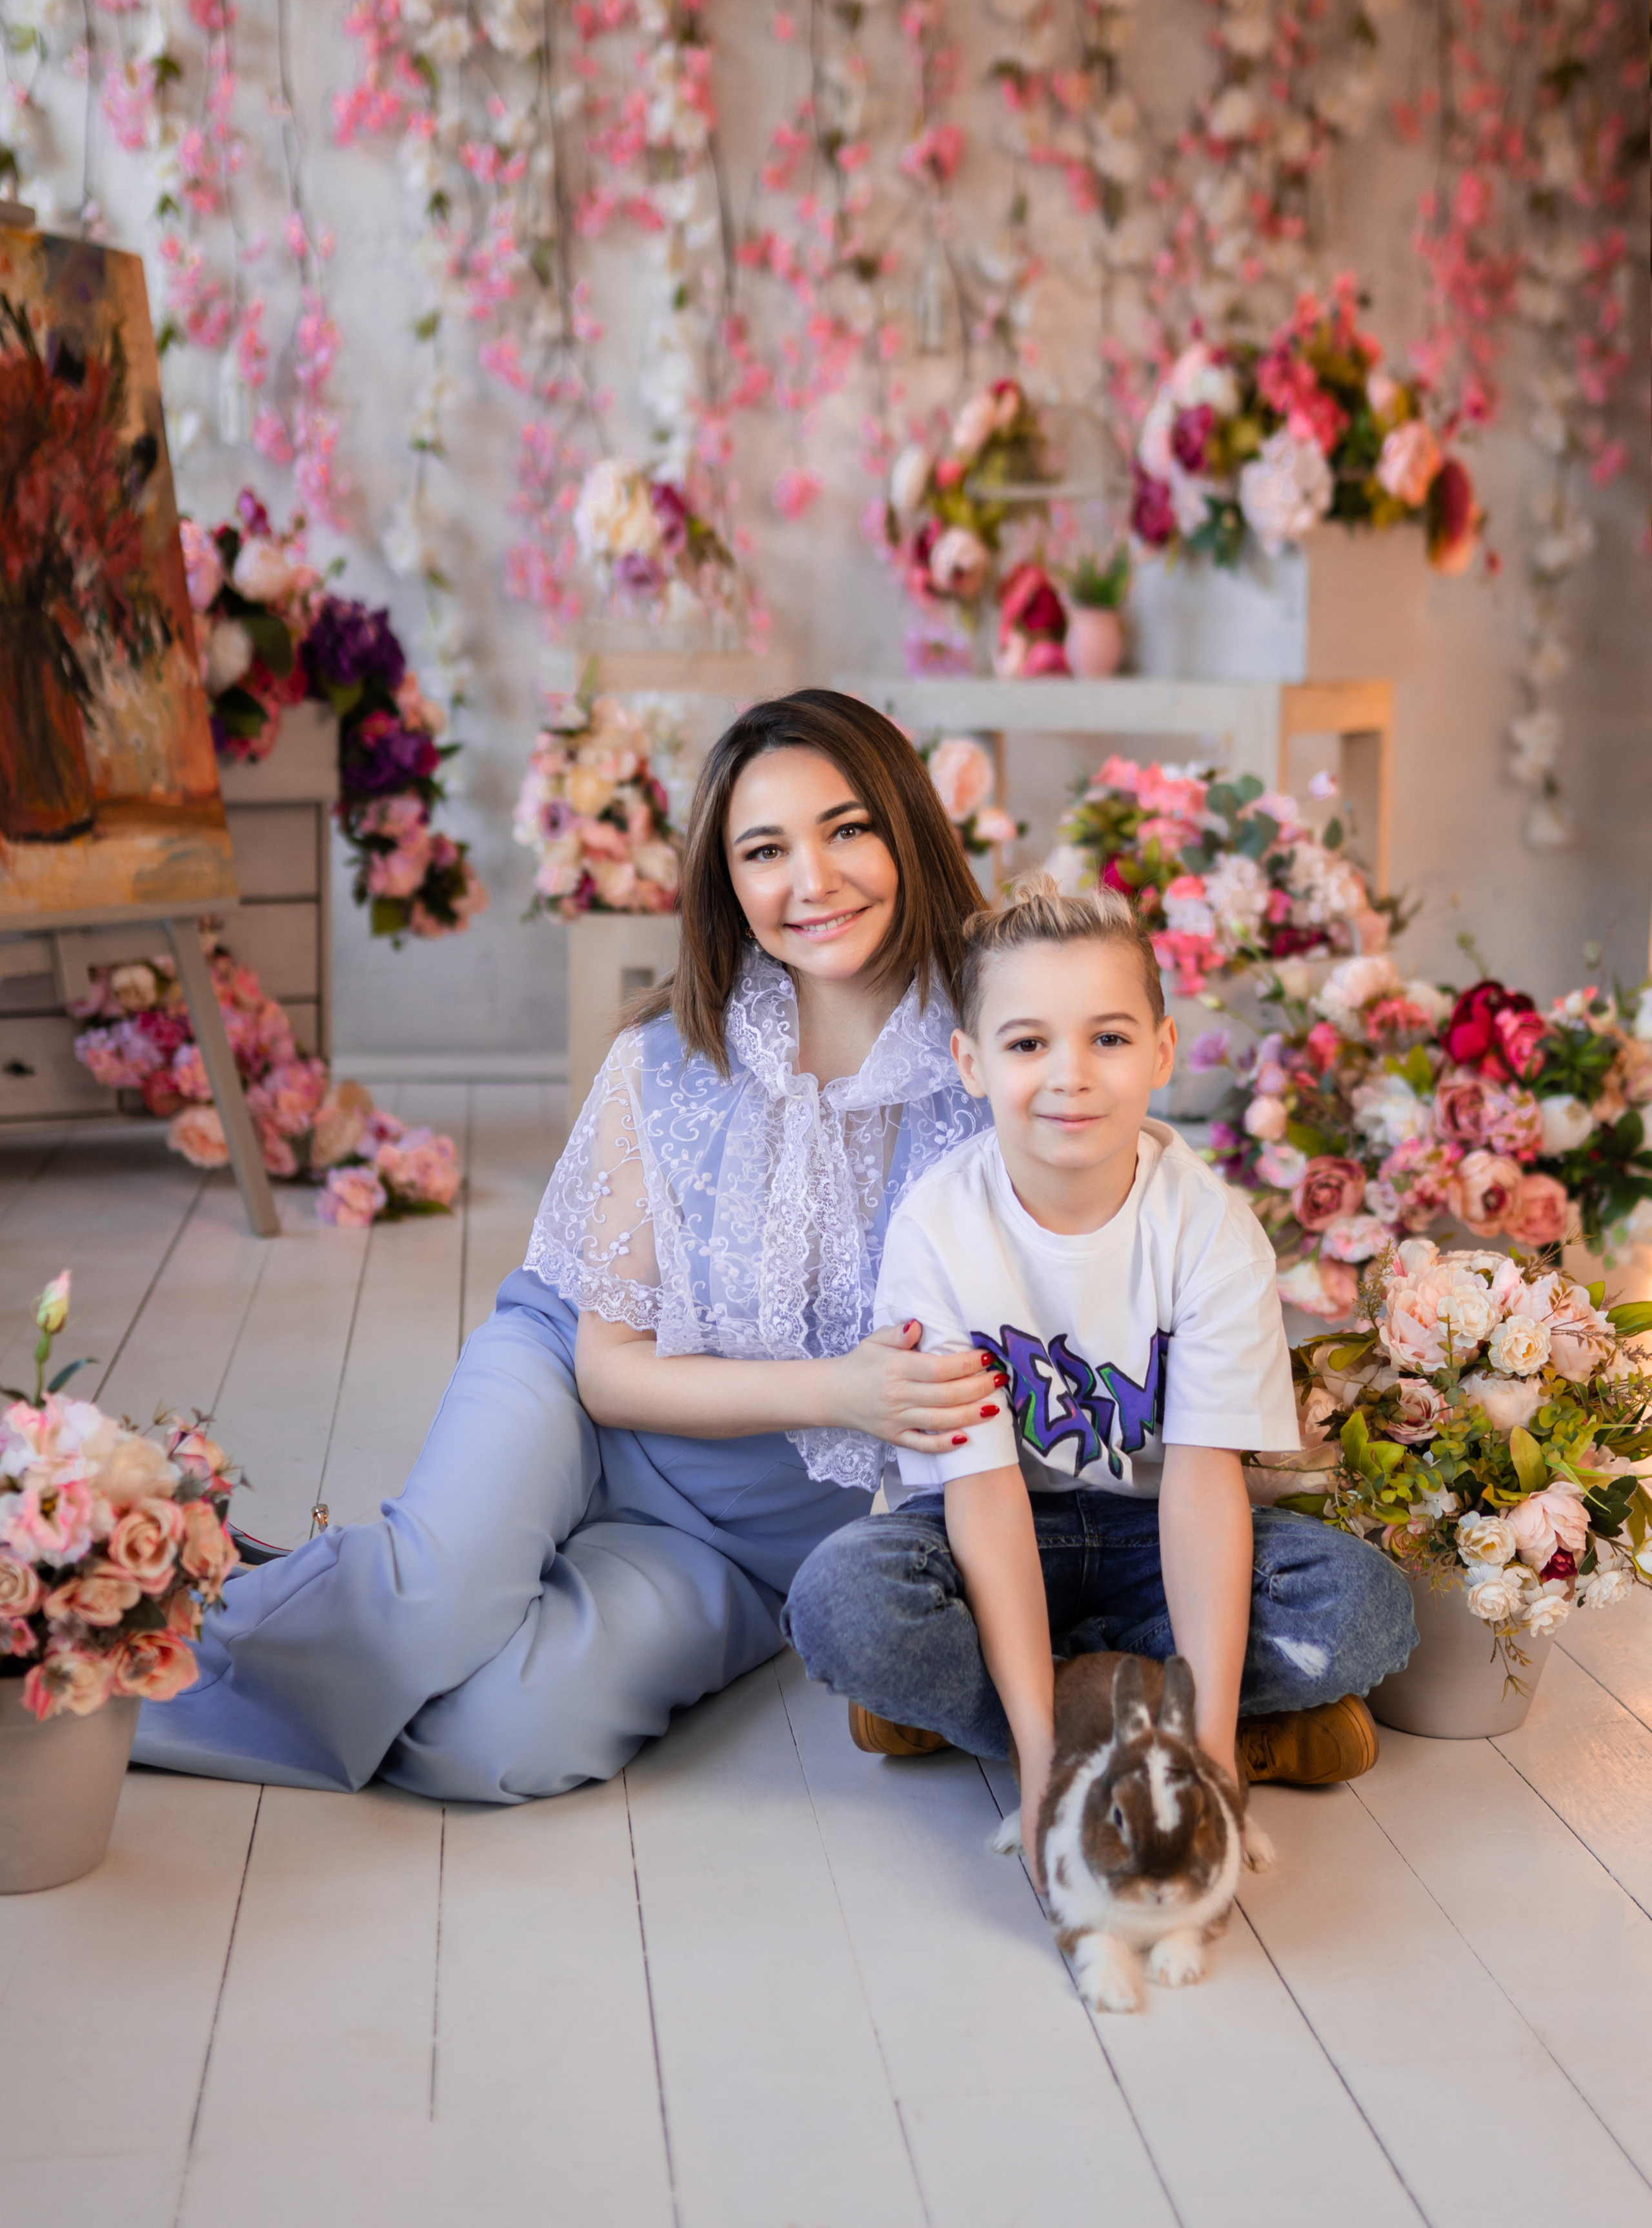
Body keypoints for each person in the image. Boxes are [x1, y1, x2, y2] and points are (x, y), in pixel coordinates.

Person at [132, 690, 1003, 1802]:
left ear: (907, 828)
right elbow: (609, 1368)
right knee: (428, 1615)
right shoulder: (670, 1059)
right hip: (574, 1392)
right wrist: (842, 1390)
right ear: (727, 884)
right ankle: (102, 1633)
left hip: (738, 1545)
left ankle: (341, 1606)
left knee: (489, 1745)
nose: (813, 881)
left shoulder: (983, 1070)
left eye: (848, 830)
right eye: (765, 850)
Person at [782, 877, 1418, 1855]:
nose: (1070, 1075)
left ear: (1161, 1052)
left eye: (1109, 1039)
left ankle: (1123, 1729)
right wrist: (1043, 1771)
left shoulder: (1210, 1229)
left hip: (1157, 1537)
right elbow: (984, 1497)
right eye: (1028, 1043)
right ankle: (1092, 1730)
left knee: (1364, 1609)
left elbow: (1207, 1490)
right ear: (972, 1063)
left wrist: (1205, 1769)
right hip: (987, 1525)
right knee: (842, 1604)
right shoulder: (940, 1229)